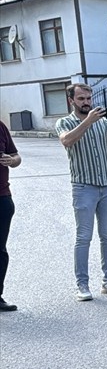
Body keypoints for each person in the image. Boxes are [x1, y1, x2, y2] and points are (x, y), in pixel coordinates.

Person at [55, 83, 107, 302]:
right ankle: (82, 285)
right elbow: (67, 141)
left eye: (88, 98)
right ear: (71, 101)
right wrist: (88, 121)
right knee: (83, 237)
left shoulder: (102, 122)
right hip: (83, 187)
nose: (86, 102)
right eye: (81, 99)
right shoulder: (65, 122)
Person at [0, 119, 20, 312]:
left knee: (0, 251)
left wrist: (12, 160)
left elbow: (16, 156)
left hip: (2, 198)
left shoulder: (0, 126)